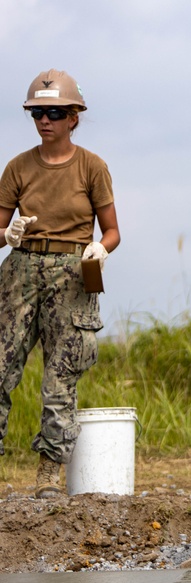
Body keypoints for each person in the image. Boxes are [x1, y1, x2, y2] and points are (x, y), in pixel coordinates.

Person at [0, 69, 120, 498]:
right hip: (22, 270)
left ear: (73, 117)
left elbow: (111, 230)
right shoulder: (17, 167)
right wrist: (9, 234)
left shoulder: (92, 166)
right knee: (0, 368)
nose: (45, 120)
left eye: (54, 112)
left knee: (60, 377)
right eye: (37, 113)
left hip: (72, 273)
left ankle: (50, 474)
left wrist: (100, 250)